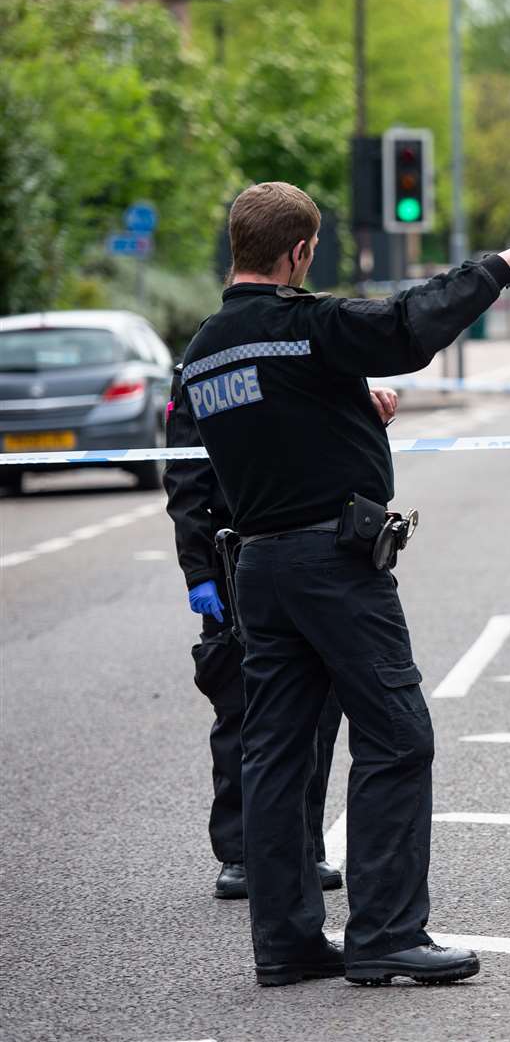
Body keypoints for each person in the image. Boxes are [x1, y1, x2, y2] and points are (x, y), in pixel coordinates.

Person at [180, 180, 510, 986]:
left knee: (276, 756)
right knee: (398, 736)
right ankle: (386, 934)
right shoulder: (309, 326)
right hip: (333, 565)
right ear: (301, 252)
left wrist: (350, 410)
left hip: (258, 566)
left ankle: (288, 944)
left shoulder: (204, 349)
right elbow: (413, 323)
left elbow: (272, 424)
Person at [162, 369, 374, 901]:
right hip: (235, 557)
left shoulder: (306, 345)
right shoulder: (201, 366)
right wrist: (199, 572)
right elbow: (187, 479)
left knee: (319, 706)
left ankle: (301, 844)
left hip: (314, 550)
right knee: (240, 706)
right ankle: (240, 853)